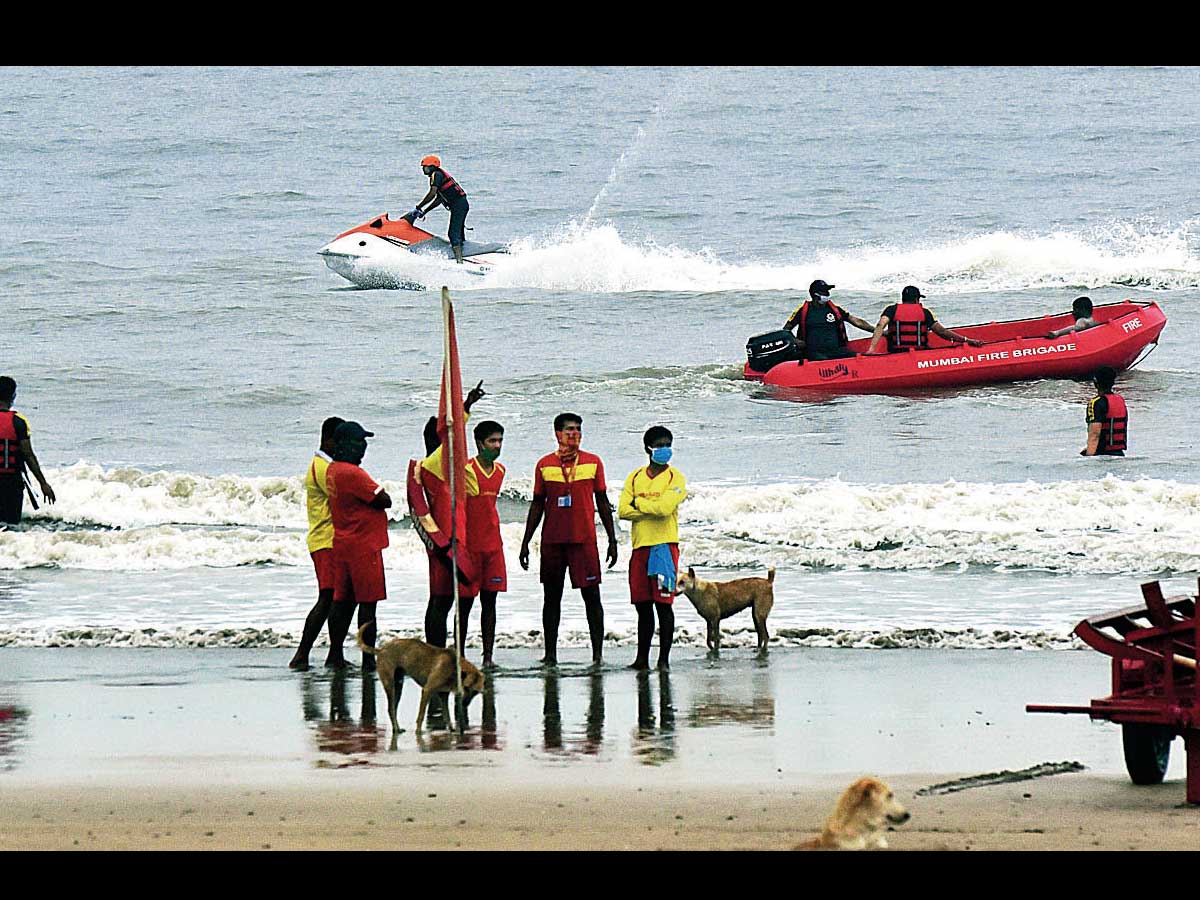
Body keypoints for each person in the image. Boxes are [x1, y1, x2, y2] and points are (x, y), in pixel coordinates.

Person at [519, 413, 618, 668]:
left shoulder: (593, 462)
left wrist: (612, 538)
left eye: (578, 429)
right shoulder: (544, 465)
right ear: (557, 434)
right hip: (552, 541)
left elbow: (603, 503)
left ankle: (597, 656)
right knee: (551, 599)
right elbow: (537, 504)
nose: (574, 434)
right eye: (569, 430)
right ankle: (550, 655)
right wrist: (525, 541)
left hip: (584, 540)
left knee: (592, 597)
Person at [419, 381, 486, 652]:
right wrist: (465, 406)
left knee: (443, 598)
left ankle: (443, 650)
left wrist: (467, 405)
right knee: (443, 600)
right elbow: (455, 432)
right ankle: (438, 651)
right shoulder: (437, 462)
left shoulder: (433, 465)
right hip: (448, 539)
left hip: (443, 539)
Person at [618, 426, 687, 671]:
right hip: (640, 547)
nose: (665, 449)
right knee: (642, 606)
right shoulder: (635, 476)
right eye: (660, 445)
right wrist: (649, 506)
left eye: (668, 444)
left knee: (664, 605)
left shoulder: (675, 477)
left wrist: (640, 502)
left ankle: (664, 660)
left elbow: (665, 509)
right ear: (648, 448)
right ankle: (641, 659)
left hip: (664, 547)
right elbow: (623, 511)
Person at [324, 421, 391, 670]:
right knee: (368, 605)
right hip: (364, 546)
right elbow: (384, 499)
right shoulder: (353, 473)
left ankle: (335, 654)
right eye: (359, 442)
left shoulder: (332, 470)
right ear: (345, 445)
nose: (363, 447)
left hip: (343, 543)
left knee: (342, 603)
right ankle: (368, 659)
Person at [289, 416, 345, 670]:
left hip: (327, 540)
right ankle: (303, 655)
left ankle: (334, 654)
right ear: (330, 439)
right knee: (328, 597)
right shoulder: (323, 469)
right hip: (326, 540)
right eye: (342, 440)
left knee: (334, 598)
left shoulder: (323, 465)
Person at [460, 420, 507, 668]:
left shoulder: (500, 471)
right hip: (469, 547)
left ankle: (488, 657)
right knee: (465, 604)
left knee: (490, 602)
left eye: (499, 441)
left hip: (493, 546)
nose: (497, 446)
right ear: (479, 443)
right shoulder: (466, 469)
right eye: (492, 441)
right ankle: (459, 656)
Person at [0, 376, 56, 526]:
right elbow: (28, 455)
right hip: (12, 483)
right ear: (13, 396)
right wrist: (43, 483)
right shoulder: (19, 422)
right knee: (11, 525)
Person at [866, 285, 984, 354]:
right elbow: (942, 332)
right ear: (917, 299)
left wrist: (872, 349)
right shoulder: (925, 312)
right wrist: (967, 340)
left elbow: (880, 326)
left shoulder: (891, 310)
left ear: (903, 299)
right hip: (920, 354)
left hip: (896, 353)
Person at [783, 280, 875, 361]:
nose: (827, 294)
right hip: (814, 352)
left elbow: (856, 321)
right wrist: (795, 341)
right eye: (825, 292)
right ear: (815, 295)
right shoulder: (803, 310)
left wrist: (878, 331)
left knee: (855, 356)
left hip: (836, 350)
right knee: (822, 360)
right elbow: (785, 330)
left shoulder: (834, 309)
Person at [410, 154, 470, 265]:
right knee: (459, 234)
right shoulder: (438, 175)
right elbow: (439, 199)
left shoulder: (436, 175)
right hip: (461, 204)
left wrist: (419, 206)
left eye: (425, 167)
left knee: (453, 234)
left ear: (431, 166)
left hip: (459, 205)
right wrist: (424, 211)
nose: (423, 169)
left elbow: (432, 194)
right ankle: (465, 257)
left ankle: (460, 262)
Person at [1082, 366, 1127, 457]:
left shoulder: (1096, 403)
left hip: (1101, 455)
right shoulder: (1120, 400)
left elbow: (1095, 434)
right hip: (1119, 454)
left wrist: (1088, 458)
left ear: (1095, 383)